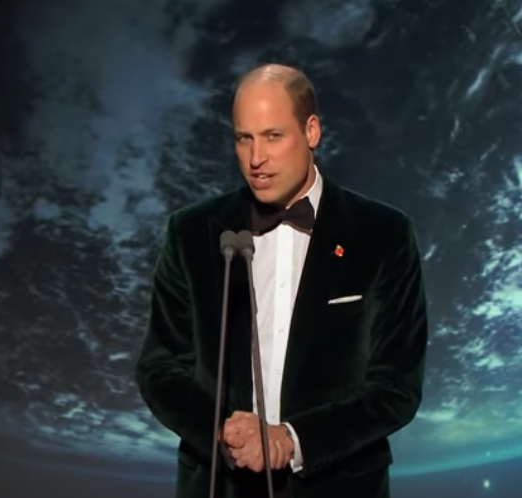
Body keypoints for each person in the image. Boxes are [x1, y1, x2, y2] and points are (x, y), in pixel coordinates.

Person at [134, 62, 428, 498]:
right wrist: (224, 433)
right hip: (220, 485)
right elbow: (159, 368)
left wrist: (290, 440)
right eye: (244, 138)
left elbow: (396, 389)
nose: (256, 159)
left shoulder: (383, 234)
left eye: (273, 136)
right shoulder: (192, 232)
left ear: (311, 131)